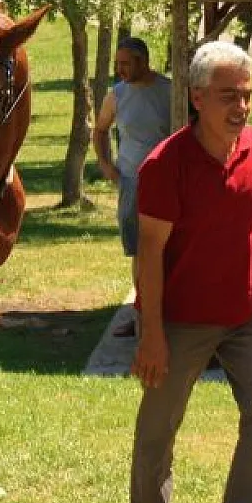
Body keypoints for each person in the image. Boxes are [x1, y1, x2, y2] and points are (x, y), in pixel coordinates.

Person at [128, 40, 252, 503]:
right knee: (159, 427)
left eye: (246, 95)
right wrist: (151, 332)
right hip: (179, 318)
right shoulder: (163, 164)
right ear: (196, 98)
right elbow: (148, 253)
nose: (240, 107)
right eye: (226, 96)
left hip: (248, 316)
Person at [93, 37, 172, 338]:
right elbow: (100, 130)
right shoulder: (117, 94)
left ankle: (169, 313)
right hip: (131, 181)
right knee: (139, 250)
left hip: (166, 181)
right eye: (117, 64)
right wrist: (106, 164)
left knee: (168, 248)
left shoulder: (170, 92)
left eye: (126, 63)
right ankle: (140, 312)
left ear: (143, 61)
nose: (120, 69)